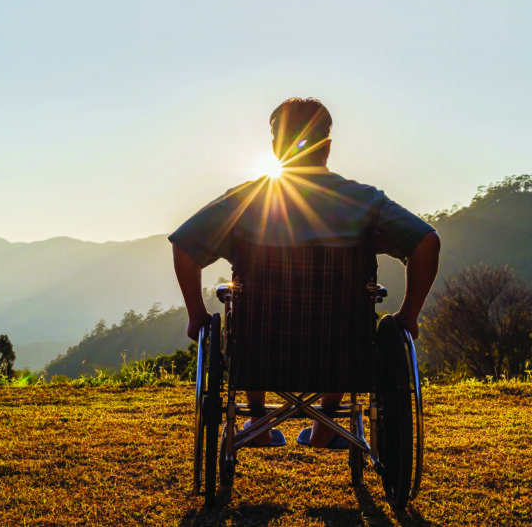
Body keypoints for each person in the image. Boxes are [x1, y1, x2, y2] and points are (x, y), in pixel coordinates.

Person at [169, 97, 440, 447]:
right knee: (340, 315)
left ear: (275, 147)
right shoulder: (364, 201)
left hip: (261, 349)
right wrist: (408, 317)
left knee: (244, 304)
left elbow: (185, 246)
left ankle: (258, 423)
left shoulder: (245, 200)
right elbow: (427, 243)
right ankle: (326, 428)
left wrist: (196, 316)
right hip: (340, 351)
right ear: (327, 147)